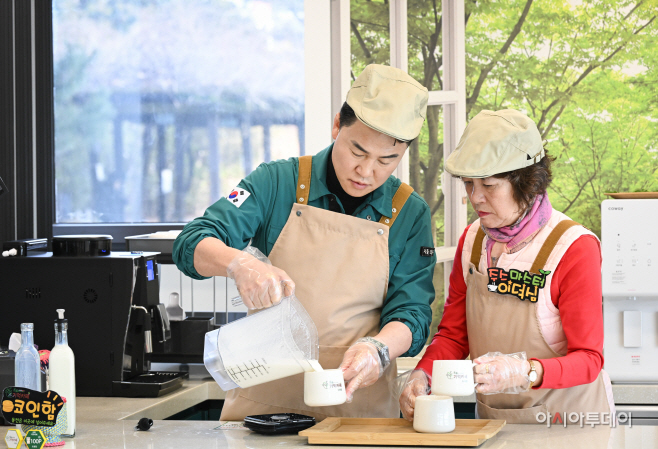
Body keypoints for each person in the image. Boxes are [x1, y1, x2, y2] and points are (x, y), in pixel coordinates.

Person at [173, 64, 436, 421]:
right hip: (262, 409)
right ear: (336, 126)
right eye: (358, 152)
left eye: (387, 160)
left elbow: (413, 313)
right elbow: (192, 241)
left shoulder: (409, 212)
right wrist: (240, 265)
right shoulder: (276, 181)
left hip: (358, 413)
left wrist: (379, 349)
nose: (367, 171)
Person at [399, 109, 615, 424]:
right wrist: (423, 374)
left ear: (527, 182)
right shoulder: (473, 242)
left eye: (488, 185)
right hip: (493, 424)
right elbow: (454, 336)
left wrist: (524, 371)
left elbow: (589, 360)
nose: (475, 197)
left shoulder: (573, 248)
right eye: (469, 184)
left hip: (568, 427)